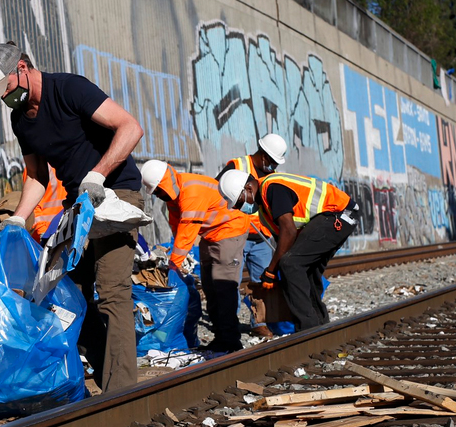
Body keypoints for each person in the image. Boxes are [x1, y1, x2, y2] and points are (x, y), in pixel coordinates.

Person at [0, 41, 144, 392]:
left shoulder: (69, 88)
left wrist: (98, 174)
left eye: (5, 88)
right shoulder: (20, 120)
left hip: (114, 194)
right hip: (78, 205)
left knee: (112, 290)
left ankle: (122, 391)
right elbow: (38, 175)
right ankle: (100, 374)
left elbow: (130, 128)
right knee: (68, 292)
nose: (5, 99)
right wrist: (19, 218)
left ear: (22, 68)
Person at [218, 169, 358, 330]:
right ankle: (320, 325)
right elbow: (285, 244)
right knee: (304, 269)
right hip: (333, 217)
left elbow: (289, 231)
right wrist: (273, 271)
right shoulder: (264, 210)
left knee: (291, 264)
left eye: (238, 202)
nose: (239, 207)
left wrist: (271, 271)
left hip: (339, 214)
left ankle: (307, 329)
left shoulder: (271, 188)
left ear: (248, 188)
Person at [141, 161, 249, 354]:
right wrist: (175, 258)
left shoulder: (191, 191)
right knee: (210, 286)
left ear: (166, 184)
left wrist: (175, 264)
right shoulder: (173, 198)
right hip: (211, 234)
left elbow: (187, 231)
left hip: (229, 230)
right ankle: (221, 337)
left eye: (158, 191)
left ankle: (231, 341)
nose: (158, 195)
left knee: (223, 286)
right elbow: (177, 229)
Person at [215, 133, 287, 339]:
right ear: (264, 156)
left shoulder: (270, 175)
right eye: (272, 162)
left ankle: (259, 323)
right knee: (231, 283)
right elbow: (218, 193)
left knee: (262, 283)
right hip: (236, 234)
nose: (274, 167)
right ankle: (229, 326)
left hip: (261, 237)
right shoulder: (238, 165)